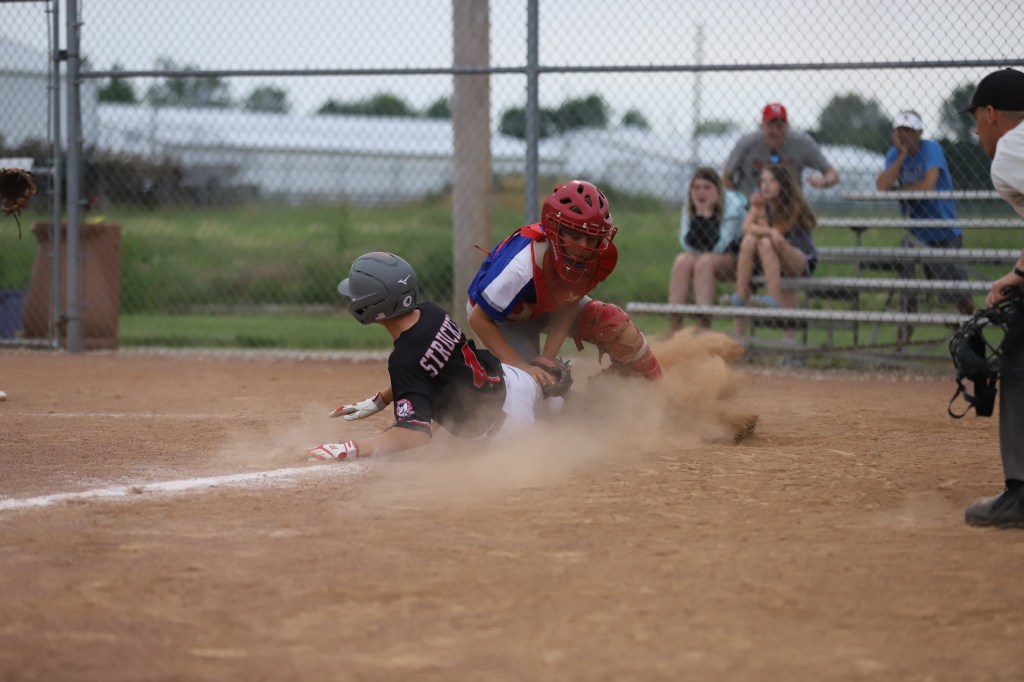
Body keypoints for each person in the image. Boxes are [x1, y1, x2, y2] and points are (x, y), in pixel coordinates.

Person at [308, 251, 552, 462]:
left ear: (373, 305)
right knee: (568, 413)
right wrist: (382, 399)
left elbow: (415, 433)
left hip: (507, 430)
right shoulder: (431, 312)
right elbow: (430, 365)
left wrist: (352, 448)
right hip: (517, 382)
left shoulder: (403, 359)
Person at [467, 180, 662, 387]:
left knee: (613, 324)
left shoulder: (592, 256)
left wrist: (547, 359)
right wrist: (521, 366)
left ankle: (657, 388)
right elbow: (479, 319)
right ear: (555, 229)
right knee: (533, 385)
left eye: (591, 238)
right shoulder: (522, 264)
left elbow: (568, 302)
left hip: (545, 306)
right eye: (575, 236)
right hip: (503, 318)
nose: (583, 247)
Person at [959, 68, 1024, 528]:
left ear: (990, 114)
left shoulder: (1010, 151)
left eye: (977, 121)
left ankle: (1020, 493)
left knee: (1019, 364)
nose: (978, 131)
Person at [875, 110, 975, 344]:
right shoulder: (894, 153)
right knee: (907, 293)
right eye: (900, 130)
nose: (904, 135)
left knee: (958, 295)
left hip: (943, 231)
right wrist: (901, 155)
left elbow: (928, 186)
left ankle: (974, 336)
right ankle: (901, 346)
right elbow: (882, 186)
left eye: (909, 131)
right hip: (916, 233)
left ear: (919, 132)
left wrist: (901, 191)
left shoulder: (931, 149)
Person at [725, 165, 818, 362]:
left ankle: (773, 298)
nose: (765, 186)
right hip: (770, 258)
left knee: (766, 242)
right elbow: (746, 228)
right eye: (763, 181)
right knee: (750, 240)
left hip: (797, 258)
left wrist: (759, 216)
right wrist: (759, 214)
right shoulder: (761, 204)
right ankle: (739, 297)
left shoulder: (793, 205)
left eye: (772, 181)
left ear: (784, 185)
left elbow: (778, 236)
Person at [667, 167, 748, 332]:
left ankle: (704, 329)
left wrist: (707, 213)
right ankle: (674, 328)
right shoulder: (690, 205)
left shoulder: (733, 208)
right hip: (703, 256)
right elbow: (687, 244)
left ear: (717, 190)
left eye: (707, 187)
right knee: (682, 261)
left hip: (736, 259)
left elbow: (720, 246)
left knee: (705, 262)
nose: (701, 193)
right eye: (696, 188)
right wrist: (699, 213)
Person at [722, 102, 840, 199]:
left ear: (787, 126)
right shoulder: (748, 143)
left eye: (780, 126)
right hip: (752, 206)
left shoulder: (801, 143)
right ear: (763, 126)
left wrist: (824, 182)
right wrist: (736, 202)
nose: (775, 131)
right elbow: (727, 176)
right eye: (770, 126)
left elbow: (832, 173)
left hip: (789, 208)